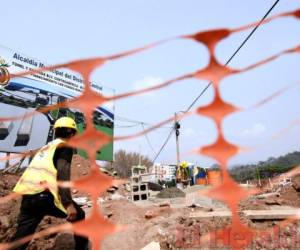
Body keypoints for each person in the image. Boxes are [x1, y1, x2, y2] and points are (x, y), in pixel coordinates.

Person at [12, 117, 89, 250]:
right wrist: (68, 203)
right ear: (72, 134)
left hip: (28, 195)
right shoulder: (64, 145)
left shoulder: (46, 147)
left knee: (21, 237)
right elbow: (63, 173)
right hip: (44, 195)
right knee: (79, 215)